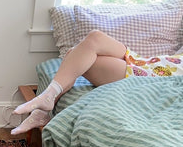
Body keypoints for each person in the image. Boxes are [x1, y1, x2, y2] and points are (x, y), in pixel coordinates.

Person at [11, 29, 183, 135]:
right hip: (152, 62)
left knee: (76, 56)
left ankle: (44, 106)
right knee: (95, 37)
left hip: (150, 77)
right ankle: (45, 104)